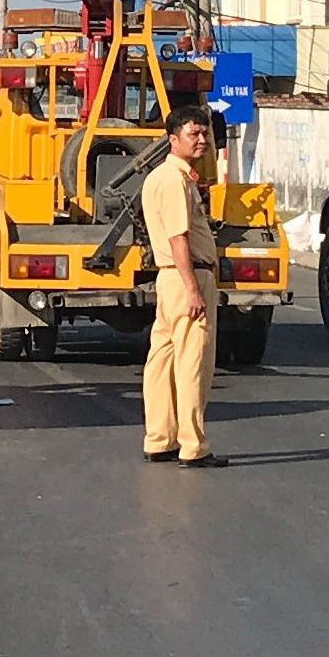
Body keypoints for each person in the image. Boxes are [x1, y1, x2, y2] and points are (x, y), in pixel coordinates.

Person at [138, 104, 227, 468]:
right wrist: (193, 288)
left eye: (204, 133)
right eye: (194, 134)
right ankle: (193, 445)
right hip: (187, 276)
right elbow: (179, 238)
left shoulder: (158, 177)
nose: (202, 139)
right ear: (173, 140)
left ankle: (159, 438)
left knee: (162, 359)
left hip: (169, 278)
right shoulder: (175, 181)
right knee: (192, 363)